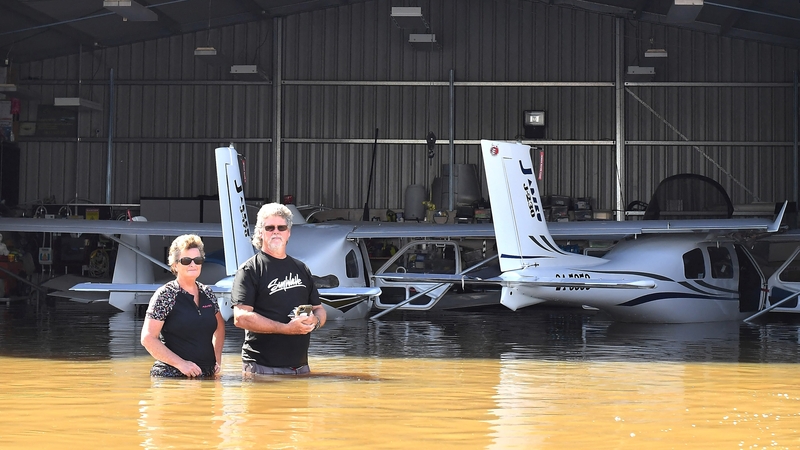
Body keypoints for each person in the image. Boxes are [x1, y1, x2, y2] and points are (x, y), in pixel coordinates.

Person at [231, 202, 326, 375]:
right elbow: (240, 318)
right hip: (261, 368)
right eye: (269, 227)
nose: (276, 231)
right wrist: (286, 329)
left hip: (301, 368)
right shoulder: (250, 270)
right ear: (261, 232)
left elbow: (319, 309)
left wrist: (315, 322)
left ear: (288, 232)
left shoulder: (301, 268)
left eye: (281, 227)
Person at [140, 234, 225, 378]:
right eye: (186, 260)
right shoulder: (165, 295)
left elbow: (220, 327)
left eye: (197, 260)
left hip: (206, 376)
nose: (193, 264)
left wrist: (217, 360)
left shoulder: (208, 293)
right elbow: (148, 338)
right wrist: (181, 364)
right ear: (175, 265)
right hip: (173, 377)